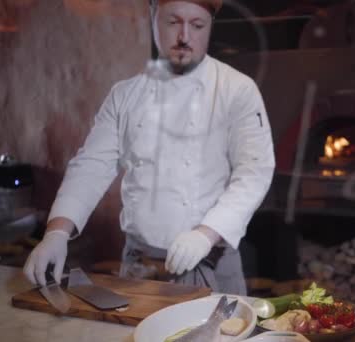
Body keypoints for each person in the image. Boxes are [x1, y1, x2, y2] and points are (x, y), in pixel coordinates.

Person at [23, 0, 275, 295]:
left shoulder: (237, 89)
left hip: (212, 263)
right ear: (154, 20)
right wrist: (56, 232)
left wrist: (206, 235)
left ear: (209, 28)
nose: (184, 36)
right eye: (173, 22)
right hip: (141, 268)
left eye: (197, 25)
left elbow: (254, 173)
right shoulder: (125, 95)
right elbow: (91, 165)